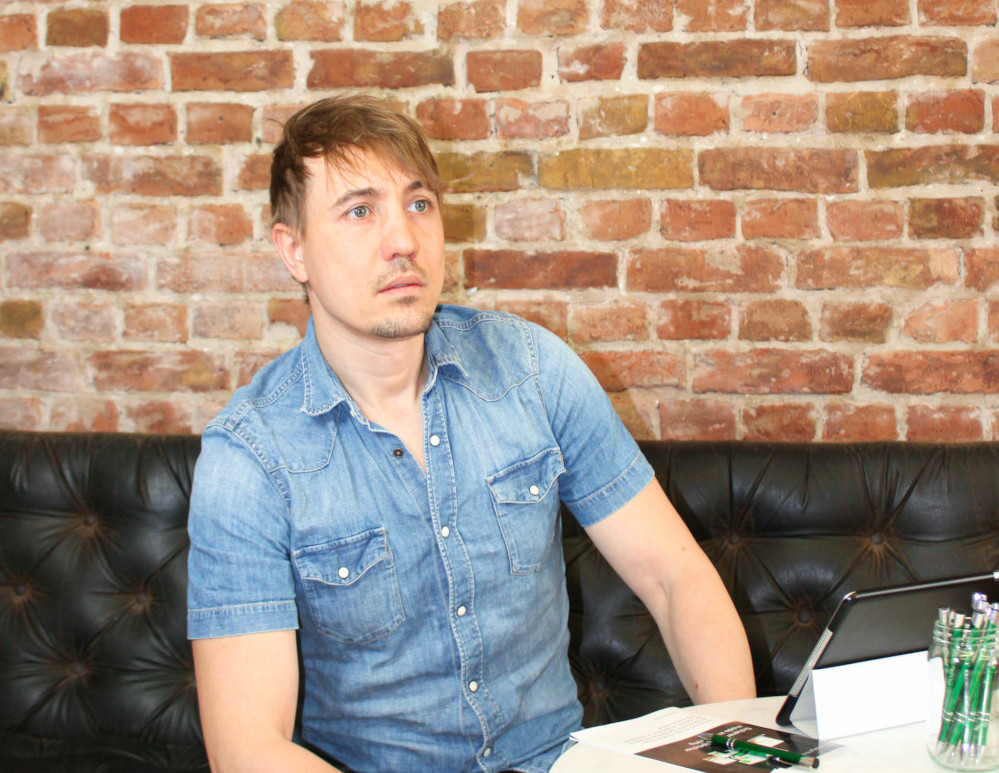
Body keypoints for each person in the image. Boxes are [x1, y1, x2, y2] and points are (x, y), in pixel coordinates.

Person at [186, 93, 755, 773]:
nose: (402, 240)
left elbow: (674, 578)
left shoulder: (532, 369)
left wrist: (736, 752)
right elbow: (248, 748)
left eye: (418, 203)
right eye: (359, 210)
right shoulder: (249, 459)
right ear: (294, 250)